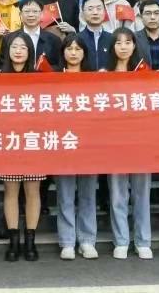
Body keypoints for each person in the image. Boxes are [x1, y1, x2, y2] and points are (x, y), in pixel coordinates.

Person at [103, 29, 153, 260]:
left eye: (128, 42)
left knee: (142, 193)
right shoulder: (104, 75)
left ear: (135, 46)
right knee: (117, 194)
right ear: (112, 47)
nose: (123, 47)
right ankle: (121, 240)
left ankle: (143, 241)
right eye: (119, 43)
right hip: (114, 142)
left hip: (141, 141)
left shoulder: (144, 73)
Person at [0, 34, 43, 262]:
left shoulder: (39, 79)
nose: (18, 51)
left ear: (29, 52)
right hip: (8, 141)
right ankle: (14, 240)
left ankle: (30, 240)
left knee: (33, 190)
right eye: (14, 46)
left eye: (23, 47)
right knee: (11, 191)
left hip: (33, 141)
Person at [54, 35, 98, 261]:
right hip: (63, 143)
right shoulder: (53, 78)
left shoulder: (94, 78)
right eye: (69, 48)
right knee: (65, 195)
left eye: (78, 49)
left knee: (88, 194)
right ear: (63, 52)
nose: (73, 53)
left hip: (89, 143)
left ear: (84, 53)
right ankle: (68, 241)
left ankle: (88, 240)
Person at [5, 0, 63, 69]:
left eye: (35, 11)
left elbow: (59, 67)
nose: (31, 15)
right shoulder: (9, 38)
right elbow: (3, 65)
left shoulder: (54, 40)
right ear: (20, 15)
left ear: (41, 14)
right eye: (27, 11)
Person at [137, 0, 159, 69]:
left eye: (156, 13)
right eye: (148, 13)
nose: (152, 17)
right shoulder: (134, 39)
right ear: (141, 17)